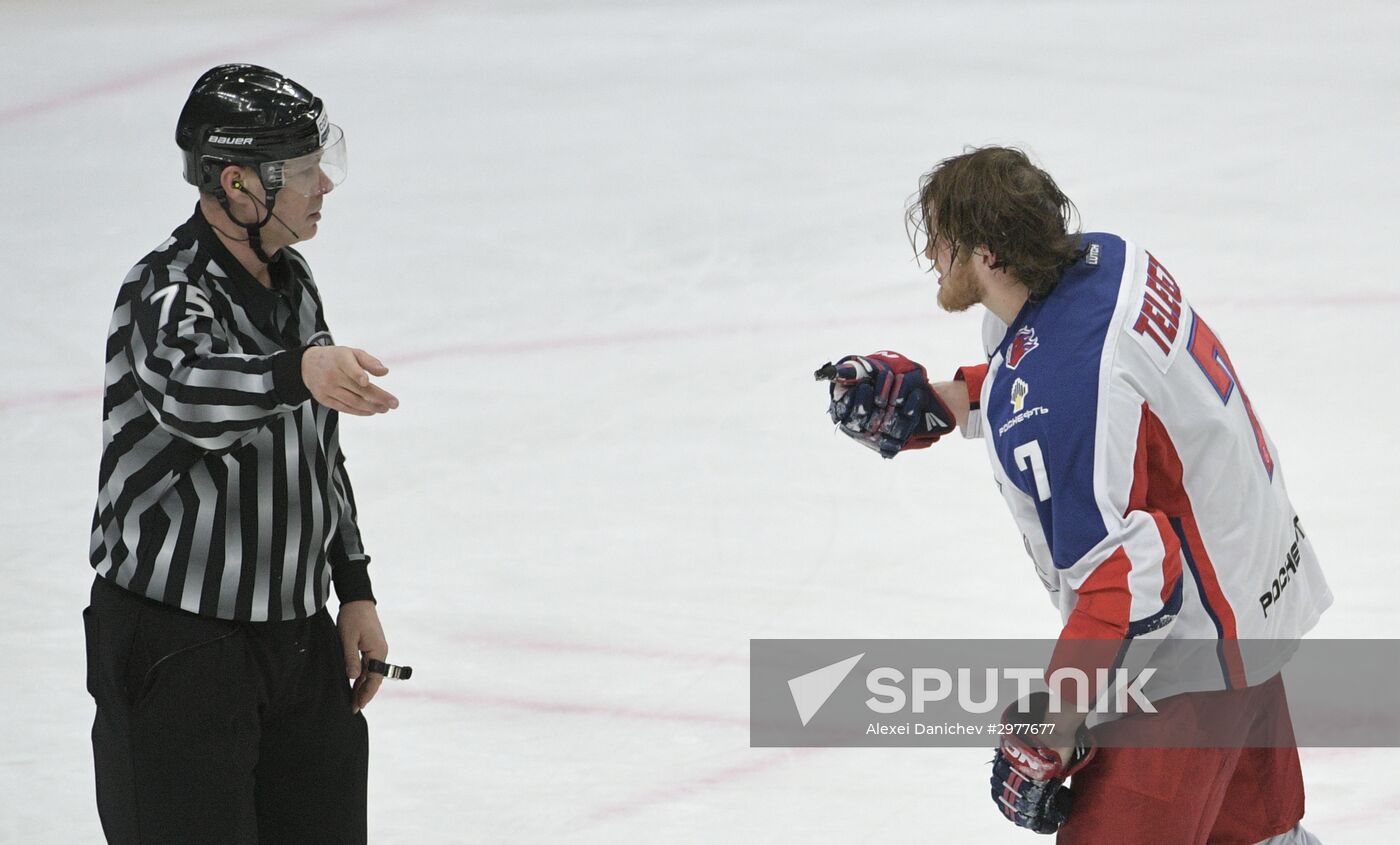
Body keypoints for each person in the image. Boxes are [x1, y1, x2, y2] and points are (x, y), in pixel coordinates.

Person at [822, 146, 1330, 844]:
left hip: (1195, 660)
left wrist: (1052, 727)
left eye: (944, 237)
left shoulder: (1064, 389)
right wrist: (941, 402)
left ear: (990, 253)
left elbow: (1128, 582)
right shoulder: (1101, 262)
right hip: (1253, 601)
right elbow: (1080, 391)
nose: (931, 253)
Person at [84, 64, 400, 844]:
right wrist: (299, 370)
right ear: (239, 182)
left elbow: (316, 454)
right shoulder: (164, 289)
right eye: (299, 171)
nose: (323, 183)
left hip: (296, 642)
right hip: (179, 651)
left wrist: (352, 586)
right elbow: (195, 396)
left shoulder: (293, 283)